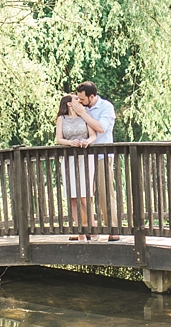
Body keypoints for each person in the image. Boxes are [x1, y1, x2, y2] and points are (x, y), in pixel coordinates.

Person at [69, 81, 119, 241]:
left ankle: (113, 229)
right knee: (83, 195)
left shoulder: (106, 107)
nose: (80, 102)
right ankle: (87, 229)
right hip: (84, 157)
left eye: (83, 99)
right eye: (79, 98)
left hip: (102, 156)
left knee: (105, 192)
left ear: (92, 96)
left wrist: (83, 113)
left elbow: (101, 127)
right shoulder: (80, 107)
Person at [55, 94, 96, 241]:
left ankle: (92, 228)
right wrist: (70, 143)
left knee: (85, 196)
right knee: (73, 196)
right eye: (75, 99)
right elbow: (59, 139)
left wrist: (87, 141)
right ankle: (80, 231)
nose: (79, 100)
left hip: (84, 157)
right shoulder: (62, 119)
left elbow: (93, 135)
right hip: (69, 158)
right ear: (69, 104)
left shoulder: (85, 116)